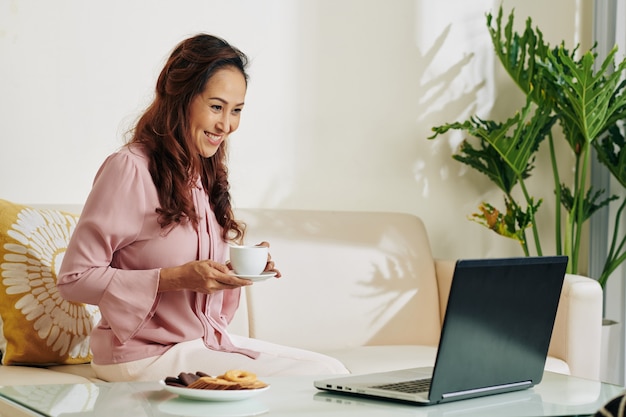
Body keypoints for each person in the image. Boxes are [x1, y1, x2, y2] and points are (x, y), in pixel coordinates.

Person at [57, 33, 349, 382]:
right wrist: (176, 278)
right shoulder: (130, 168)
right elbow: (74, 280)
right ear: (181, 99)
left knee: (332, 372)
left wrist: (234, 270)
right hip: (140, 356)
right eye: (216, 107)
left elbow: (193, 275)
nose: (226, 125)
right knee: (318, 377)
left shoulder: (204, 173)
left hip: (201, 343)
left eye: (236, 110)